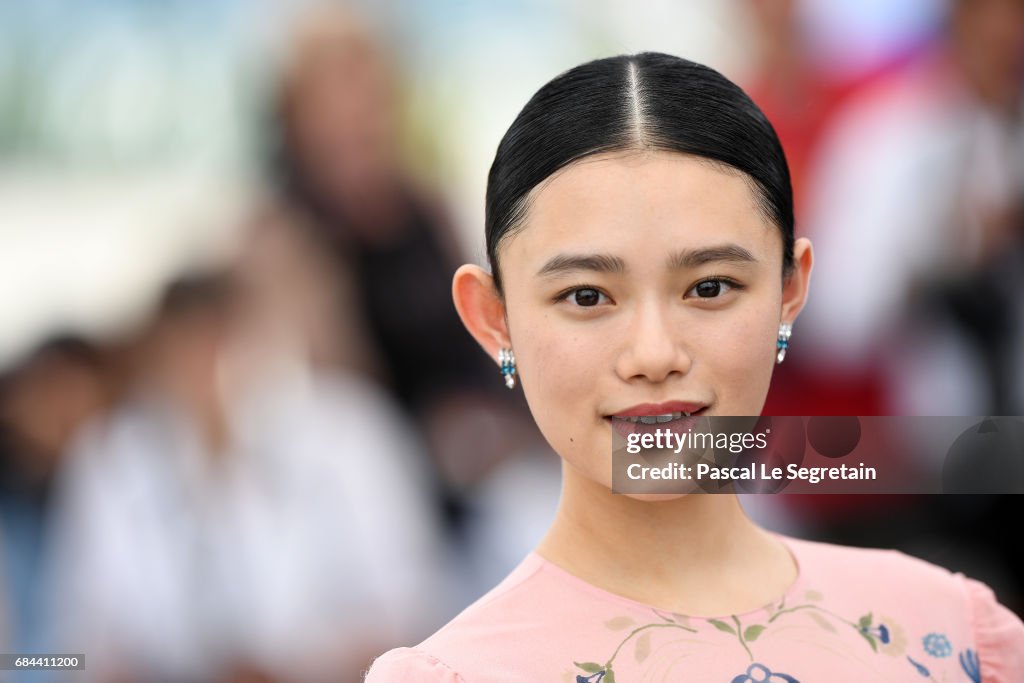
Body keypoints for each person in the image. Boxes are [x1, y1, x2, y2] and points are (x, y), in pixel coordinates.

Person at [363, 52, 1024, 681]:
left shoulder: (952, 635)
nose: (654, 354)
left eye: (709, 287)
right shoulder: (459, 674)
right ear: (493, 317)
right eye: (587, 296)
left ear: (790, 292)